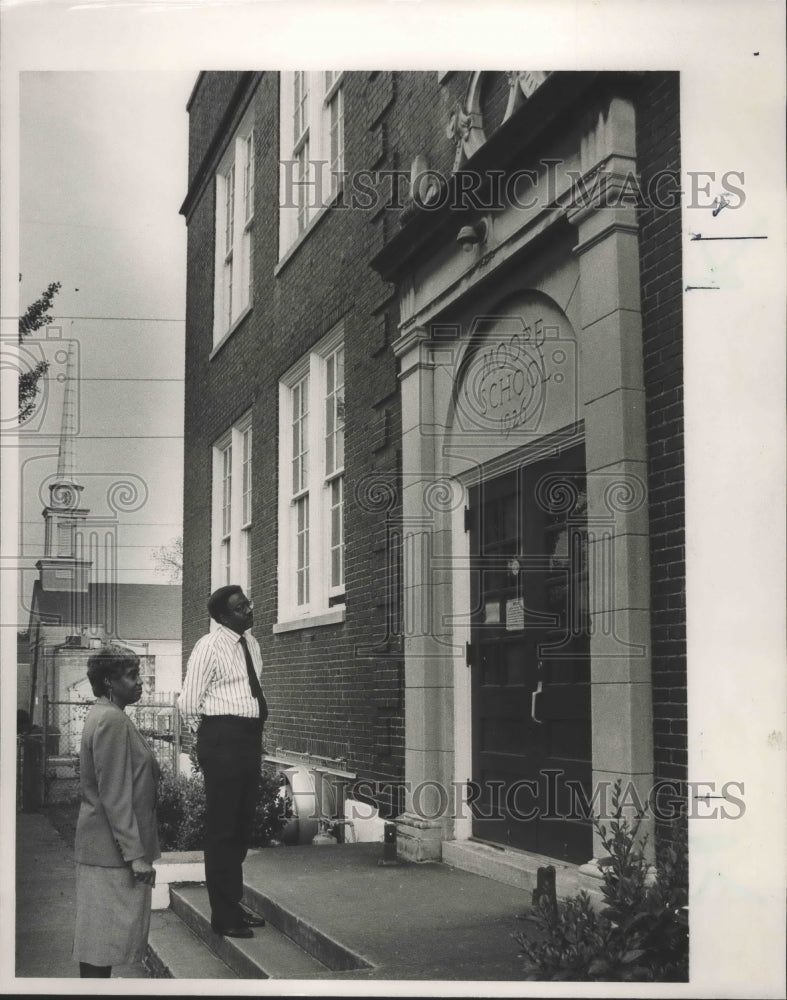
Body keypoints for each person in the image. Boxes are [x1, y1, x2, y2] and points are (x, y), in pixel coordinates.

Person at [179, 585, 268, 939]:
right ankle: (223, 917)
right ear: (222, 616)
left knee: (242, 827)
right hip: (222, 740)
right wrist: (212, 741)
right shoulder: (209, 646)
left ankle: (233, 902)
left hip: (248, 739)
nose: (248, 609)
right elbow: (188, 702)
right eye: (240, 606)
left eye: (247, 601)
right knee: (223, 829)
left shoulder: (252, 643)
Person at [72, 645, 160, 978]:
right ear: (109, 681)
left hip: (105, 851)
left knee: (99, 947)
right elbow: (114, 794)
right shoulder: (110, 719)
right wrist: (135, 855)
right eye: (132, 675)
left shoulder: (108, 713)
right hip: (110, 854)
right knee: (99, 949)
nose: (140, 683)